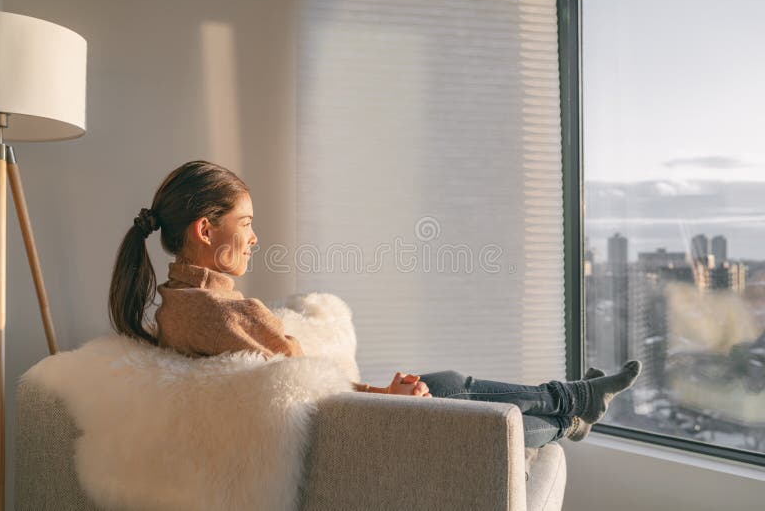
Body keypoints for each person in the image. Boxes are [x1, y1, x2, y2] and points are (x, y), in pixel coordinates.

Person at [108, 160, 641, 448]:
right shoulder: (228, 313)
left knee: (450, 381)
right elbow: (312, 390)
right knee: (488, 422)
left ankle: (573, 397)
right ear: (205, 229)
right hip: (343, 434)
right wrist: (387, 396)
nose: (254, 237)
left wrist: (387, 390)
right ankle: (572, 413)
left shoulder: (174, 305)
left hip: (329, 421)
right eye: (245, 223)